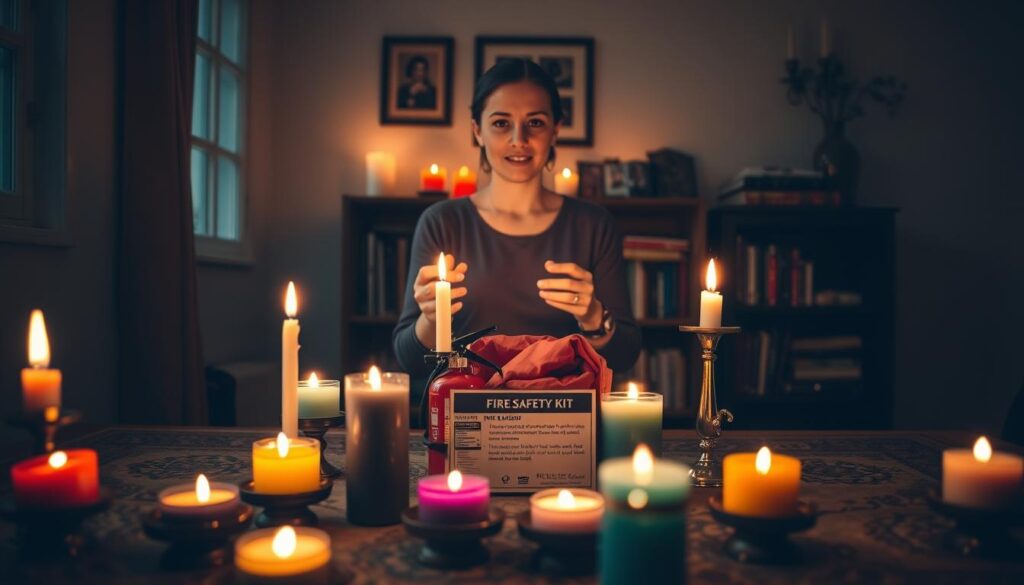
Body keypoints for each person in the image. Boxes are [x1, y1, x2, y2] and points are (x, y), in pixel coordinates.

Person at [392, 58, 641, 379]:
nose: (518, 139)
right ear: (477, 131)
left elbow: (625, 355)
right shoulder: (442, 222)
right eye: (501, 123)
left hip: (562, 415)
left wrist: (594, 317)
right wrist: (430, 320)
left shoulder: (593, 225)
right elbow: (407, 359)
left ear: (556, 130)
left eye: (535, 122)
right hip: (468, 412)